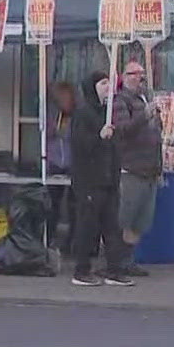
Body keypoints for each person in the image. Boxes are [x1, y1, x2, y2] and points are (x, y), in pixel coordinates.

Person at [67, 71, 134, 287]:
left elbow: (114, 147)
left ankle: (114, 268)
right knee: (87, 226)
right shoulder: (83, 113)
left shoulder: (107, 112)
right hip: (89, 180)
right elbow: (79, 145)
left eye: (109, 83)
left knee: (112, 226)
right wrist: (99, 136)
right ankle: (82, 269)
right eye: (103, 83)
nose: (108, 87)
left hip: (109, 180)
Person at [111, 56, 160, 276]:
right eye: (134, 73)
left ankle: (129, 260)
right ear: (124, 77)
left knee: (141, 220)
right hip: (130, 168)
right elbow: (122, 130)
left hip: (149, 169)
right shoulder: (121, 101)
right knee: (126, 217)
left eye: (142, 73)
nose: (140, 77)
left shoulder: (146, 99)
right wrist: (144, 115)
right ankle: (118, 261)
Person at [45, 80, 78, 246]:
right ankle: (49, 238)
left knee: (75, 206)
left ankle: (73, 241)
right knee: (52, 204)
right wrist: (53, 129)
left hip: (72, 163)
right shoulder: (52, 113)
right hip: (54, 162)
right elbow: (45, 134)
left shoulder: (76, 115)